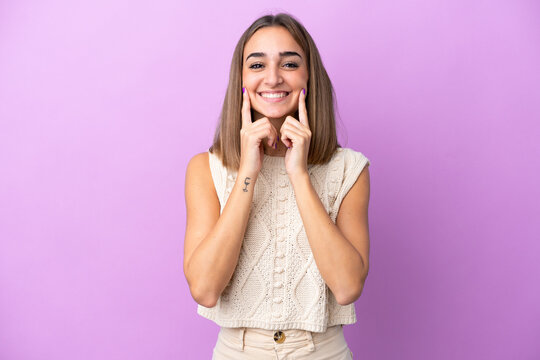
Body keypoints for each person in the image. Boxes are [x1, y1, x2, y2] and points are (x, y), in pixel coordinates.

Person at [183, 13, 371, 360]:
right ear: (240, 78)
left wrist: (299, 175)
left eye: (289, 63)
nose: (272, 78)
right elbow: (205, 289)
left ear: (308, 77)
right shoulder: (205, 168)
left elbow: (346, 288)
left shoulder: (349, 169)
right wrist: (247, 173)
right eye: (257, 65)